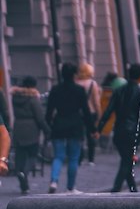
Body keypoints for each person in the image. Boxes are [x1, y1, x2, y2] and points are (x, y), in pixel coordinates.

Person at [98, 61, 140, 192]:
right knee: (126, 162)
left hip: (119, 131)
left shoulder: (119, 91)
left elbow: (108, 111)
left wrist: (98, 128)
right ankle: (116, 189)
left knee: (126, 160)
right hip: (132, 133)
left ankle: (133, 190)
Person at [45, 61, 91, 193]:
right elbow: (86, 111)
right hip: (75, 125)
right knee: (73, 158)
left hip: (59, 124)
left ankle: (54, 181)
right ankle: (70, 187)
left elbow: (49, 111)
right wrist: (92, 129)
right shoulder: (79, 90)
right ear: (74, 75)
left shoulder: (55, 89)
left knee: (58, 156)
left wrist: (48, 125)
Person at [12, 76, 46, 192]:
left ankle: (24, 186)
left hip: (18, 127)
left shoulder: (15, 98)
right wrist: (47, 130)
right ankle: (24, 173)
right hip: (31, 129)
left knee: (20, 155)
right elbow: (40, 117)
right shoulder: (33, 99)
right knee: (33, 154)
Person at [75, 62, 102, 164]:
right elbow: (96, 101)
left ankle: (79, 158)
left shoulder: (76, 83)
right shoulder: (92, 84)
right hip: (91, 112)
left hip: (78, 113)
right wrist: (99, 114)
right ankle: (91, 159)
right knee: (91, 135)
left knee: (79, 136)